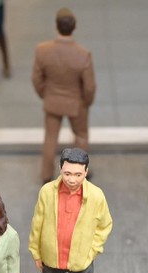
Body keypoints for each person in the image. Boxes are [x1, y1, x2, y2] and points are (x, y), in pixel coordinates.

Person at [28, 148, 112, 273]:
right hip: (52, 257)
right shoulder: (47, 192)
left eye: (78, 174)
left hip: (81, 260)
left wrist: (92, 250)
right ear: (60, 169)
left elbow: (105, 225)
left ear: (86, 172)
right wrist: (36, 251)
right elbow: (37, 223)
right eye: (67, 174)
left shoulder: (96, 196)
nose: (72, 179)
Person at [32, 8, 96, 184]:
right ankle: (79, 172)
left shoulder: (42, 50)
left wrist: (45, 94)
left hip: (52, 100)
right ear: (74, 27)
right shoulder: (83, 55)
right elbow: (89, 86)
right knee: (81, 136)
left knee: (50, 138)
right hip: (76, 103)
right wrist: (86, 102)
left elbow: (36, 79)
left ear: (56, 26)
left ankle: (46, 174)